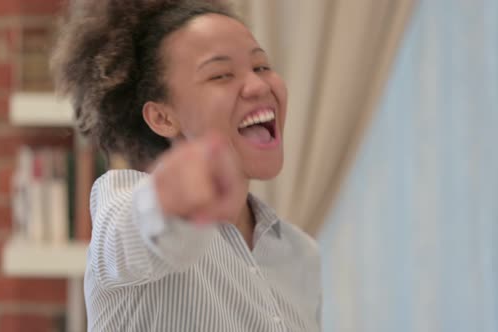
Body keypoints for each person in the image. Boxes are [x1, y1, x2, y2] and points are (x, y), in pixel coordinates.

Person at [51, 0, 321, 331]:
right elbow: (135, 227)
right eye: (221, 74)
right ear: (162, 118)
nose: (258, 85)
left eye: (261, 66)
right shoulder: (120, 203)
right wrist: (170, 200)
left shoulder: (301, 253)